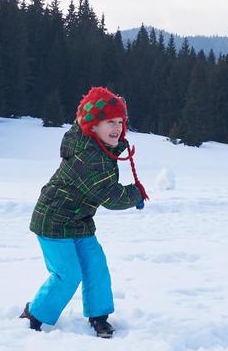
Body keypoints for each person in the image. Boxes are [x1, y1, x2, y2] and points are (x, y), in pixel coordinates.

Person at [24, 86, 147, 336]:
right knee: (68, 274)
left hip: (79, 220)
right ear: (93, 126)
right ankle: (35, 314)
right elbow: (110, 197)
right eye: (110, 122)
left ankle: (99, 316)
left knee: (96, 266)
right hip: (53, 222)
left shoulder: (97, 145)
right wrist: (135, 193)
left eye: (121, 122)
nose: (117, 128)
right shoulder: (89, 158)